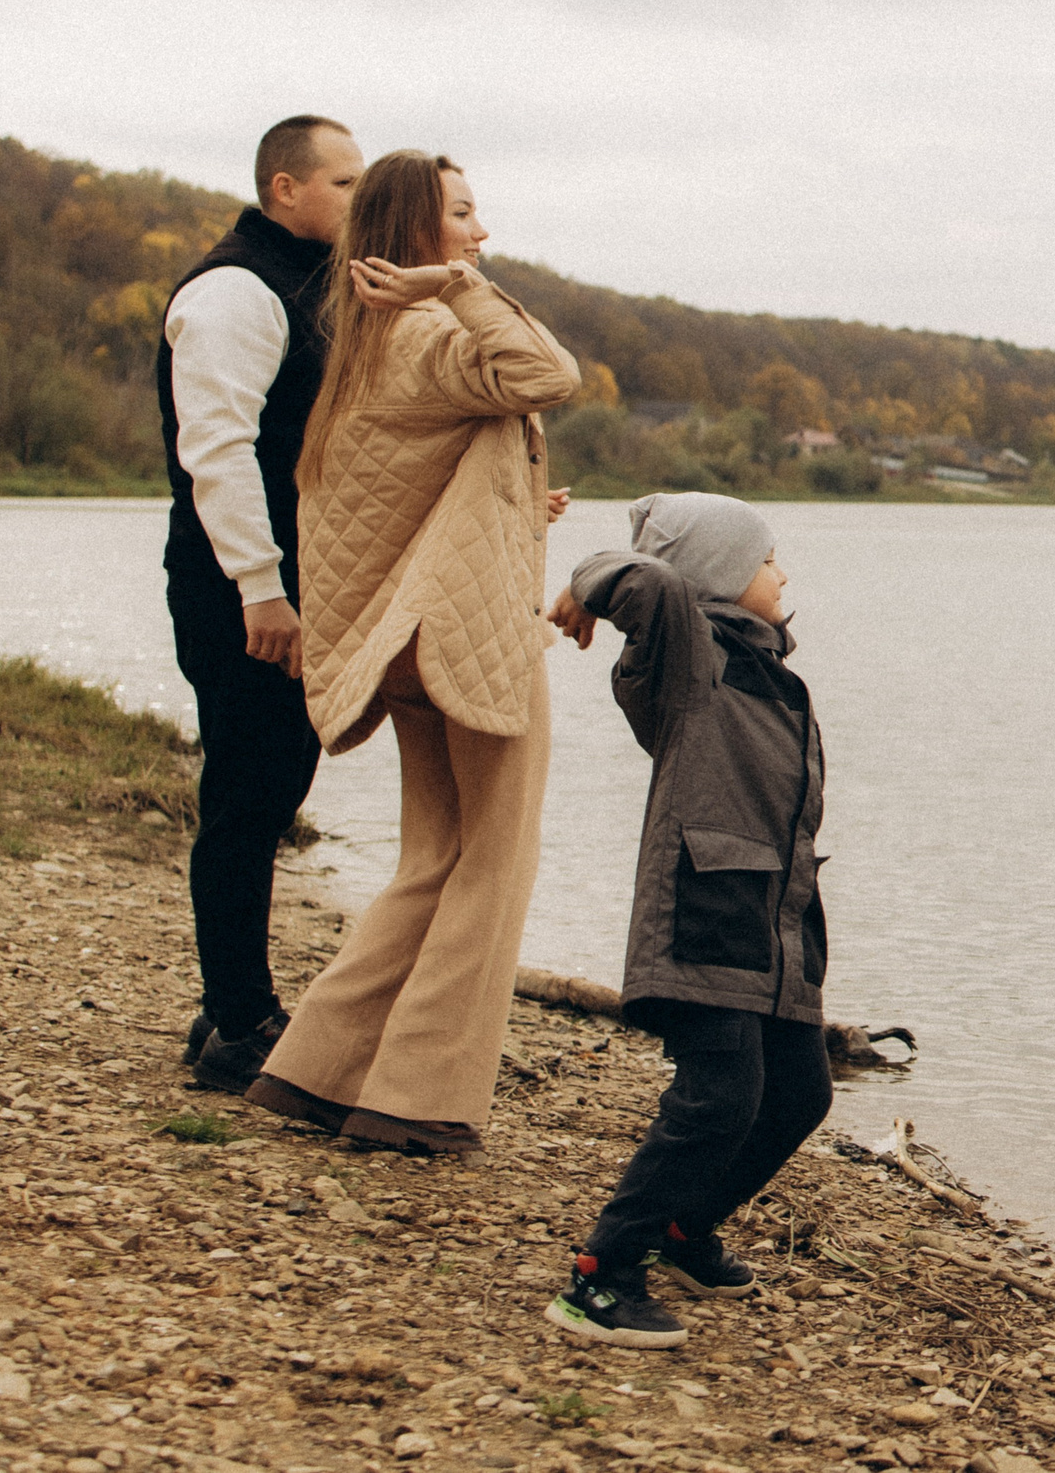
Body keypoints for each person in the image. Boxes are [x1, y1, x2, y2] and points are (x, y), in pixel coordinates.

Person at [241, 149, 579, 1155]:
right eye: (463, 218)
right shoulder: (432, 331)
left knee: (434, 856)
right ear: (417, 237)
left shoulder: (365, 345)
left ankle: (314, 1070)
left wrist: (522, 501)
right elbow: (549, 374)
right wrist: (462, 289)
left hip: (411, 638)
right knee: (493, 861)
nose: (480, 235)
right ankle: (418, 1098)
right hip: (462, 638)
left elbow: (395, 494)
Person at [540, 493, 834, 1348]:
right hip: (703, 916)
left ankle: (682, 1230)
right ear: (713, 575)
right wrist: (585, 588)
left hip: (773, 929)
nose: (781, 571)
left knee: (800, 1094)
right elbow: (637, 578)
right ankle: (601, 1272)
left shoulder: (769, 670)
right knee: (720, 1097)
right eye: (766, 556)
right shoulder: (687, 659)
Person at [161, 115, 365, 1093]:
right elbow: (219, 450)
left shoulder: (305, 286)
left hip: (278, 585)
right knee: (249, 794)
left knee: (271, 783)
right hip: (239, 589)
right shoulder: (236, 289)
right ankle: (241, 1019)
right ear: (284, 188)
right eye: (343, 183)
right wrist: (262, 588)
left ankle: (227, 1004)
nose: (357, 200)